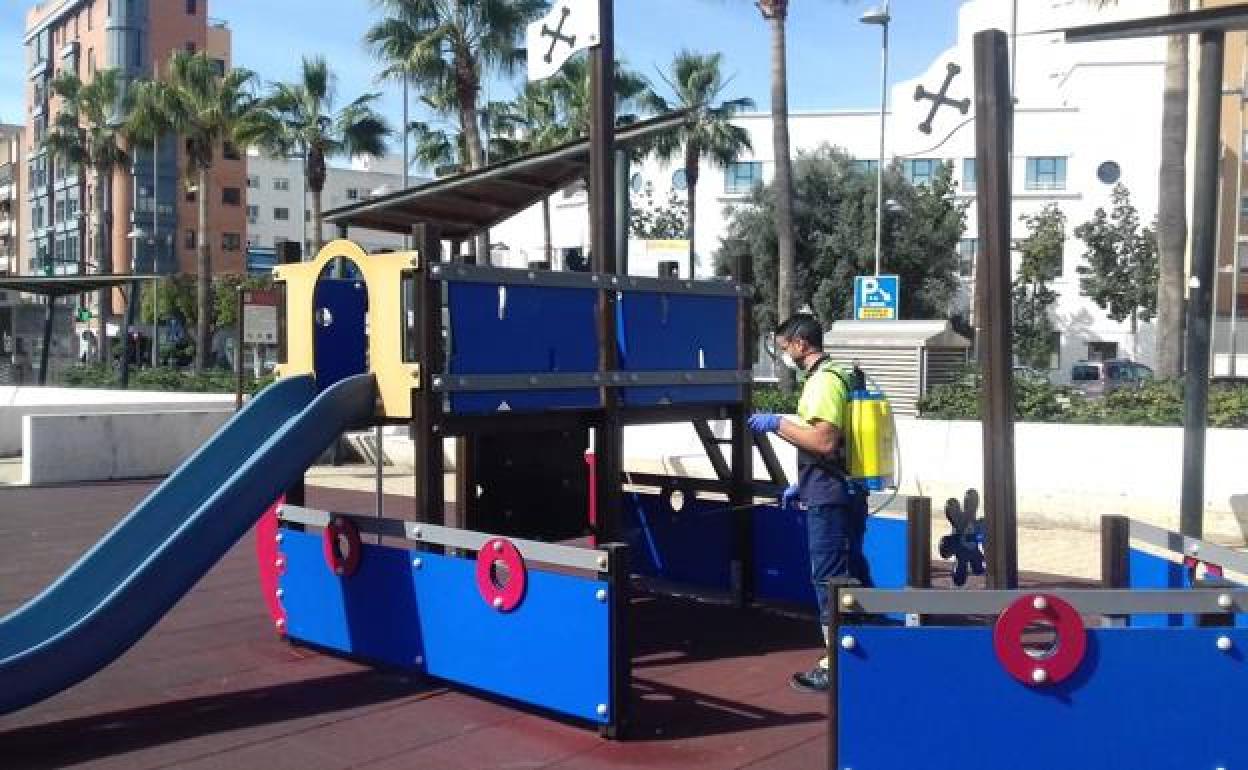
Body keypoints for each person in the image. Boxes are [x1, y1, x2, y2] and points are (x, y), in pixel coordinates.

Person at [748, 313, 873, 693]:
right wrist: (802, 484)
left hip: (831, 497)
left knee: (830, 580)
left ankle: (838, 664)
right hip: (841, 490)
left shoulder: (823, 382)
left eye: (785, 347)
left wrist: (776, 424)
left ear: (801, 344)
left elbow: (823, 441)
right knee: (851, 573)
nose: (784, 355)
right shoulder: (840, 374)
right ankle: (866, 652)